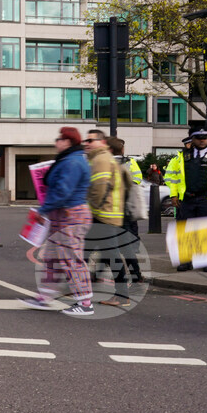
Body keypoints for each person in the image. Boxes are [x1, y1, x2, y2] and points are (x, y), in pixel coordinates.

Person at [20, 127, 93, 315]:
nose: (56, 142)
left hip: (71, 216)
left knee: (71, 259)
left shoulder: (72, 162)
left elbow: (62, 191)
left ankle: (85, 303)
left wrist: (43, 210)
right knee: (51, 258)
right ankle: (44, 297)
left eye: (59, 139)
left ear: (68, 141)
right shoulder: (70, 160)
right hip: (63, 216)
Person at [164, 128, 207, 271]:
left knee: (206, 229)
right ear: (192, 139)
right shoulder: (182, 156)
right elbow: (175, 179)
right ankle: (186, 260)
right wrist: (174, 195)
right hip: (187, 198)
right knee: (185, 229)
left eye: (205, 138)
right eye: (199, 138)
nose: (202, 141)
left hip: (206, 198)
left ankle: (206, 261)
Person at [83, 129, 128, 305]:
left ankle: (122, 295)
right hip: (104, 214)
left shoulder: (101, 159)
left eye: (90, 140)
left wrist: (89, 209)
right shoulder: (98, 158)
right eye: (85, 141)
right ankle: (78, 288)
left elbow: (100, 188)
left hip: (103, 215)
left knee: (111, 256)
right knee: (85, 252)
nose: (86, 143)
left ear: (102, 142)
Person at [107, 136, 145, 292]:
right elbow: (137, 179)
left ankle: (133, 276)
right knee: (120, 247)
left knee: (111, 246)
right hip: (123, 210)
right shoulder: (129, 162)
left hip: (115, 210)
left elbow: (136, 179)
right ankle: (136, 276)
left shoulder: (108, 163)